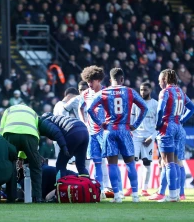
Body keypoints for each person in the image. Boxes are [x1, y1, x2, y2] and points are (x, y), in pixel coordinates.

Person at [87, 68, 148, 203]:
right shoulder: (129, 91)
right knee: (130, 163)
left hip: (110, 131)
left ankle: (117, 196)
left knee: (112, 164)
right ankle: (136, 196)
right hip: (125, 129)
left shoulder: (104, 92)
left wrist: (100, 123)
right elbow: (144, 107)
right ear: (122, 79)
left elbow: (89, 109)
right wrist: (136, 124)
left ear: (110, 80)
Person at [154, 69, 194, 202]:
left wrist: (159, 123)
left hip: (168, 127)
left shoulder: (165, 92)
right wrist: (182, 119)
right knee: (177, 163)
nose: (159, 82)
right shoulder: (181, 92)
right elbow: (193, 108)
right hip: (179, 127)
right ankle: (177, 193)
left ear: (165, 80)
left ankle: (172, 196)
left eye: (160, 80)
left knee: (168, 162)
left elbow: (160, 109)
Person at [78, 66, 111, 198]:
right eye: (87, 82)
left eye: (92, 81)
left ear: (98, 80)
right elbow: (81, 108)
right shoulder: (85, 94)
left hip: (105, 132)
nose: (89, 84)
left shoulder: (106, 92)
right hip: (92, 132)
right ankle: (100, 189)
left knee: (109, 160)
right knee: (97, 162)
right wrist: (84, 122)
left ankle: (115, 188)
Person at [0, 104, 43, 202]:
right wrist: (22, 157)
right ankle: (37, 197)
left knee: (10, 165)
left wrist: (5, 150)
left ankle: (11, 197)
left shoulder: (8, 110)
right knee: (35, 166)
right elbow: (37, 131)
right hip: (30, 135)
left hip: (10, 133)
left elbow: (2, 129)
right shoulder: (33, 112)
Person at [125, 82, 158, 197]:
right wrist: (131, 133)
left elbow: (159, 125)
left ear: (151, 90)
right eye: (141, 90)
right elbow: (131, 120)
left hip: (148, 137)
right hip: (136, 136)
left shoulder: (155, 104)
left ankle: (144, 189)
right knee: (132, 162)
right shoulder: (135, 104)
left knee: (147, 164)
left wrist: (152, 137)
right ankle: (131, 187)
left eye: (145, 90)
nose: (142, 92)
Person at [38, 112, 89, 179]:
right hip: (84, 131)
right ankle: (87, 185)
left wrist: (63, 147)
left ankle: (60, 186)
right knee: (80, 164)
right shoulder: (56, 118)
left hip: (72, 131)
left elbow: (56, 132)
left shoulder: (44, 122)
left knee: (60, 164)